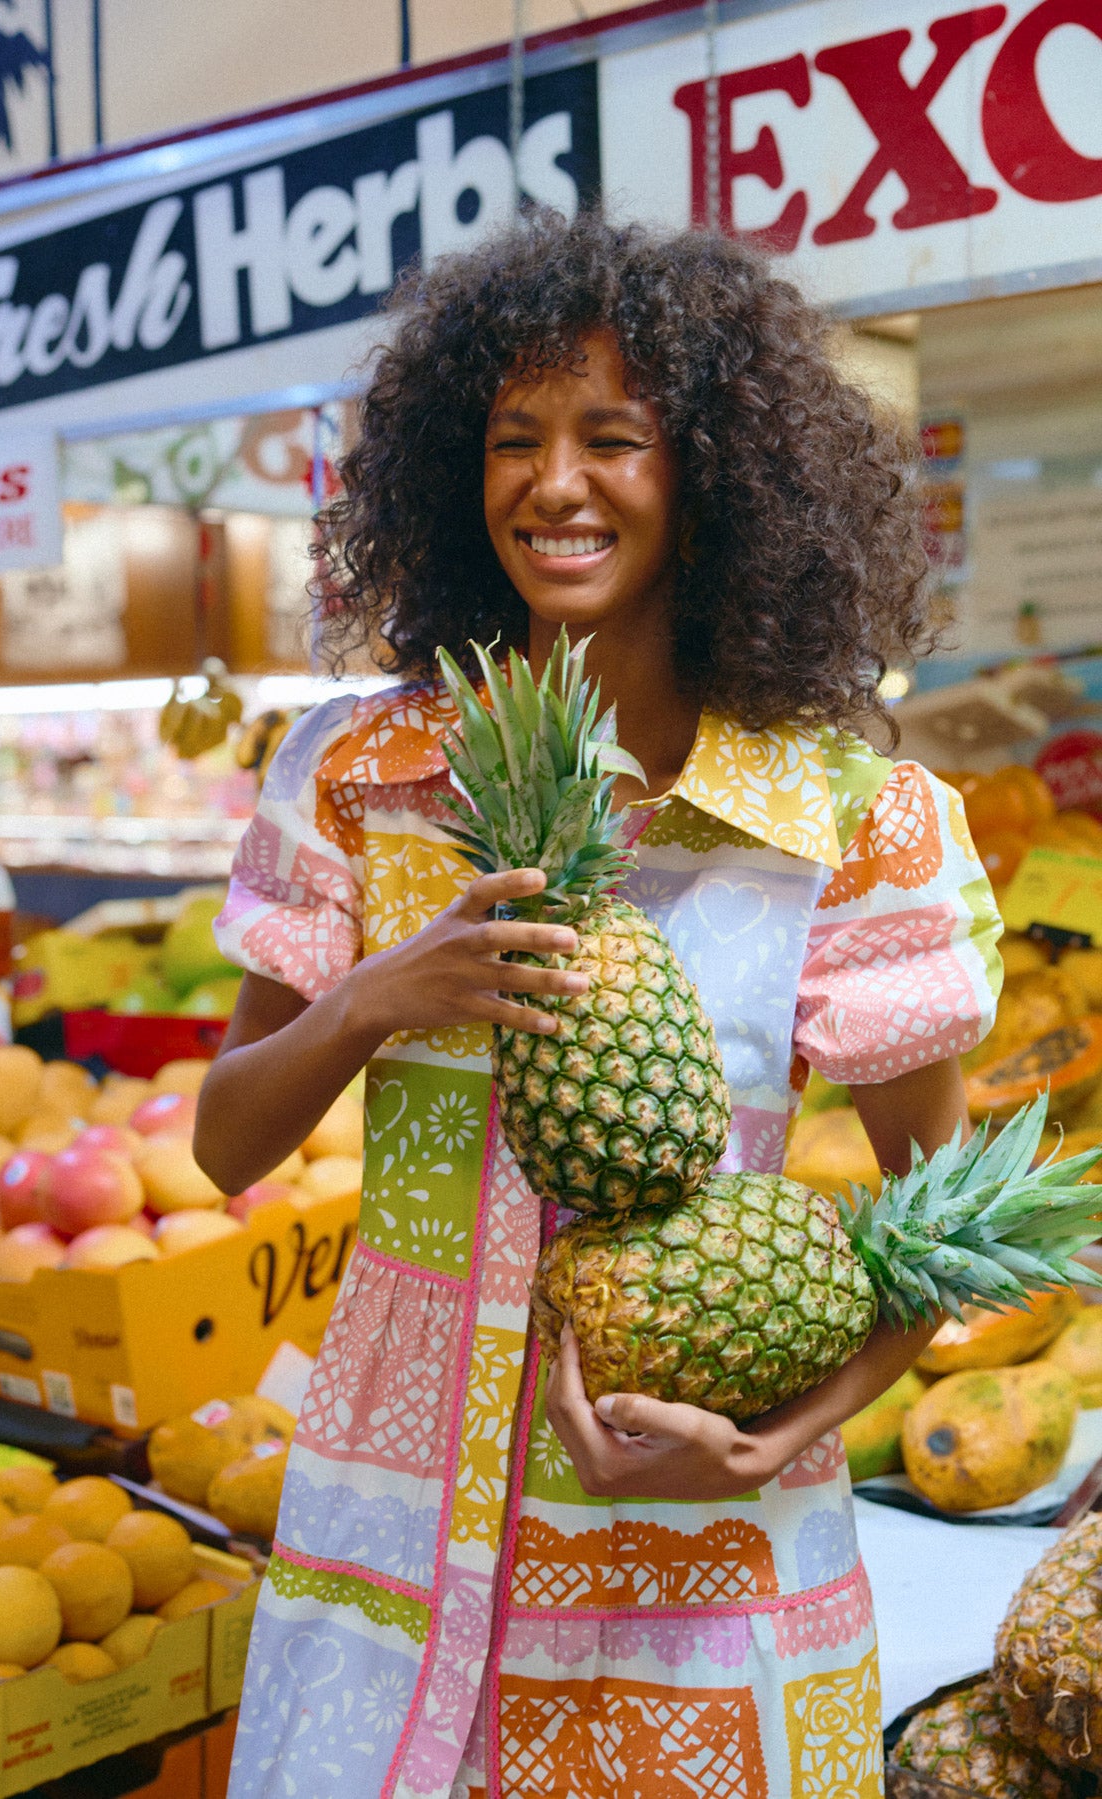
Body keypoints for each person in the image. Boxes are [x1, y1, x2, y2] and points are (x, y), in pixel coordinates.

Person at [196, 211, 1002, 1799]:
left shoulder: (852, 819)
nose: (554, 484)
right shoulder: (363, 780)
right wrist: (369, 1000)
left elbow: (948, 1219)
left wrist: (791, 1429)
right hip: (392, 1533)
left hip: (695, 1567)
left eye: (612, 437)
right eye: (513, 440)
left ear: (711, 469)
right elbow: (225, 1145)